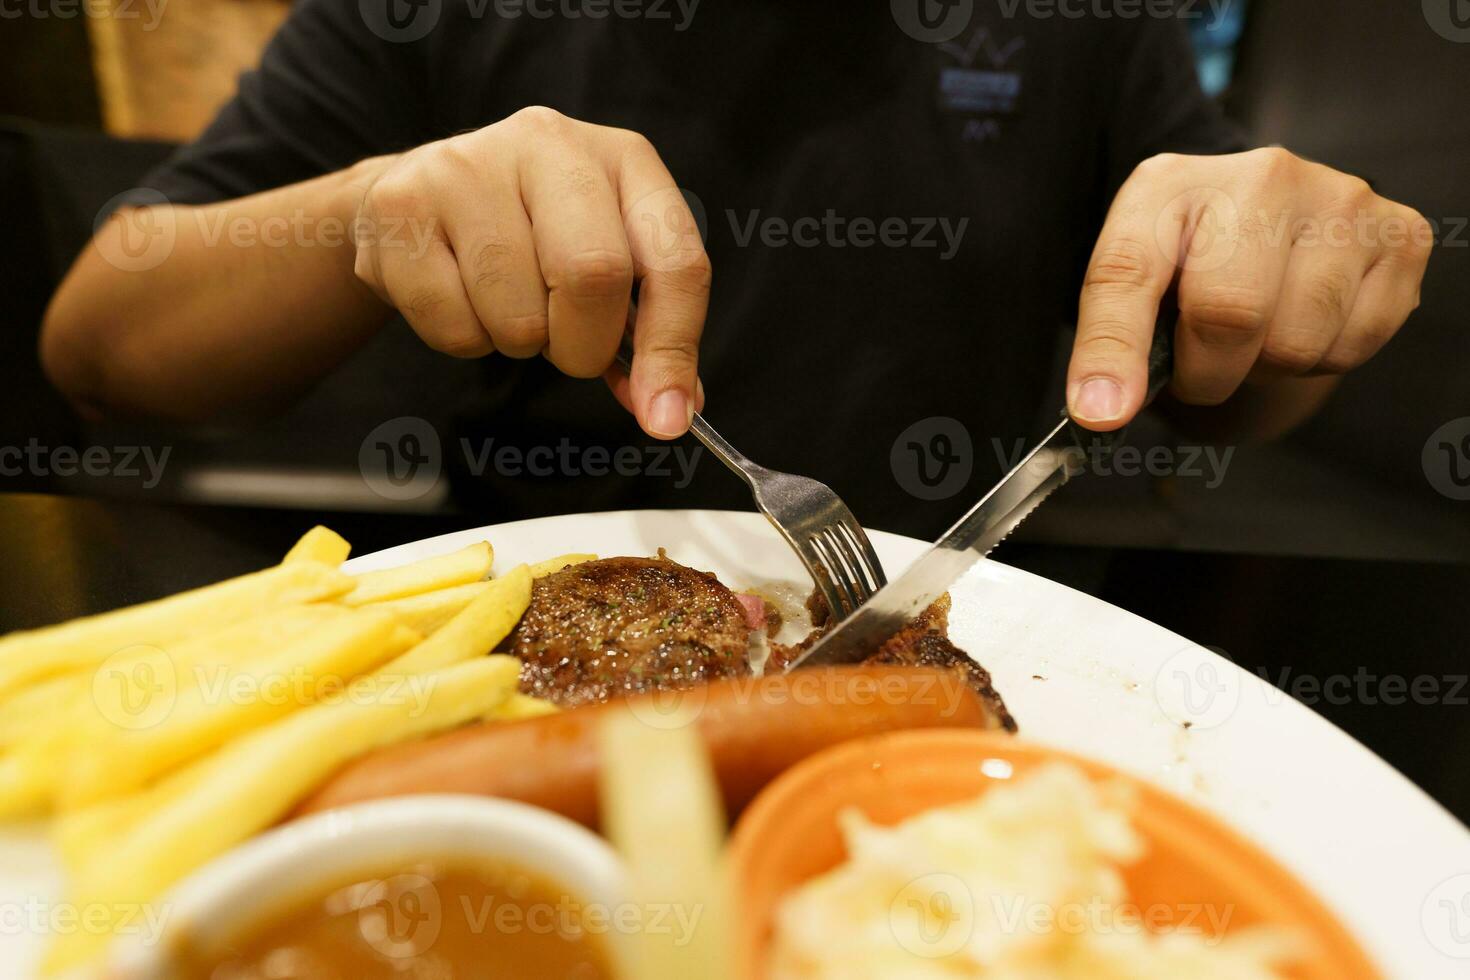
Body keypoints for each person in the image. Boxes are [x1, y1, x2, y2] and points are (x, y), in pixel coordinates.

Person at [39, 2, 1432, 538]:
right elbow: (97, 349)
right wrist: (360, 211)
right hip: (520, 617)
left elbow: (1222, 395)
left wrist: (1282, 303)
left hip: (989, 617)